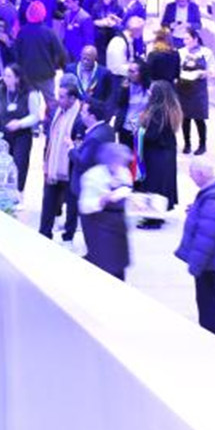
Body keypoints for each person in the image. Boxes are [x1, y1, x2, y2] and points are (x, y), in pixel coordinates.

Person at [176, 157, 215, 335]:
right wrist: (196, 210)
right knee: (208, 296)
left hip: (209, 261)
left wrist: (195, 266)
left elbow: (207, 239)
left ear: (201, 173)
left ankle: (210, 335)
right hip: (213, 258)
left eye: (192, 173)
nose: (190, 176)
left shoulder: (213, 202)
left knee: (207, 299)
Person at [38, 76, 84, 239]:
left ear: (73, 98)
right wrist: (46, 162)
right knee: (48, 202)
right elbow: (50, 139)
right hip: (53, 165)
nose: (58, 99)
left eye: (62, 97)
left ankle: (68, 237)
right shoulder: (56, 112)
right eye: (58, 95)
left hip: (70, 168)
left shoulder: (80, 118)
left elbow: (79, 146)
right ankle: (44, 234)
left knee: (72, 206)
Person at [79, 141, 133, 278]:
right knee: (104, 265)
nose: (121, 164)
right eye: (118, 161)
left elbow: (126, 192)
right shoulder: (93, 176)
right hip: (99, 225)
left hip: (118, 225)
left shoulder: (124, 172)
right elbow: (85, 206)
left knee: (119, 264)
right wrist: (103, 200)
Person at [135, 80, 183, 209]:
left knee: (155, 185)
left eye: (151, 91)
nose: (148, 93)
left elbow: (152, 135)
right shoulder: (170, 110)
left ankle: (153, 213)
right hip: (167, 152)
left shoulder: (157, 112)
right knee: (163, 183)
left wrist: (139, 130)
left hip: (156, 154)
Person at [0, 63, 41, 194]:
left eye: (9, 76)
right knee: (2, 166)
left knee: (19, 165)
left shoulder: (30, 92)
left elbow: (35, 116)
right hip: (3, 134)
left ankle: (17, 193)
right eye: (4, 75)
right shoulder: (0, 91)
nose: (5, 79)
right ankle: (2, 193)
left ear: (17, 78)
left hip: (22, 135)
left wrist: (20, 123)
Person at [13, 0, 66, 106]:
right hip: (46, 73)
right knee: (51, 102)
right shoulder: (49, 32)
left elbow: (17, 54)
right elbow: (60, 52)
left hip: (27, 74)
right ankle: (53, 117)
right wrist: (59, 66)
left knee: (29, 103)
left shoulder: (22, 32)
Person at [178, 27, 214, 155]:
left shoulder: (206, 52)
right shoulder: (181, 52)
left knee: (199, 119)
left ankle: (202, 144)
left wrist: (204, 73)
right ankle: (187, 144)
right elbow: (177, 69)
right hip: (184, 88)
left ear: (195, 39)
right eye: (184, 39)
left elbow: (212, 69)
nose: (185, 41)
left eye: (187, 39)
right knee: (185, 118)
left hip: (199, 89)